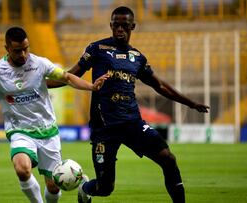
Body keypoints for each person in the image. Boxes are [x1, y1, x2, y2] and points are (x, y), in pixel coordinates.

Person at [47, 6, 210, 203]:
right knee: (105, 187)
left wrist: (190, 103)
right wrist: (40, 85)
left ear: (132, 26)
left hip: (133, 123)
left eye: (125, 26)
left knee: (168, 158)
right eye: (116, 25)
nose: (120, 29)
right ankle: (85, 188)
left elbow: (159, 85)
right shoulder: (97, 49)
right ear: (111, 26)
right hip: (104, 129)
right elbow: (70, 76)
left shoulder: (137, 58)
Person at [0, 26, 108, 203]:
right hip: (20, 131)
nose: (23, 54)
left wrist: (90, 87)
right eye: (17, 51)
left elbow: (67, 77)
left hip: (48, 131)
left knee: (53, 186)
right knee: (22, 169)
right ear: (6, 48)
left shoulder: (40, 64)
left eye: (25, 48)